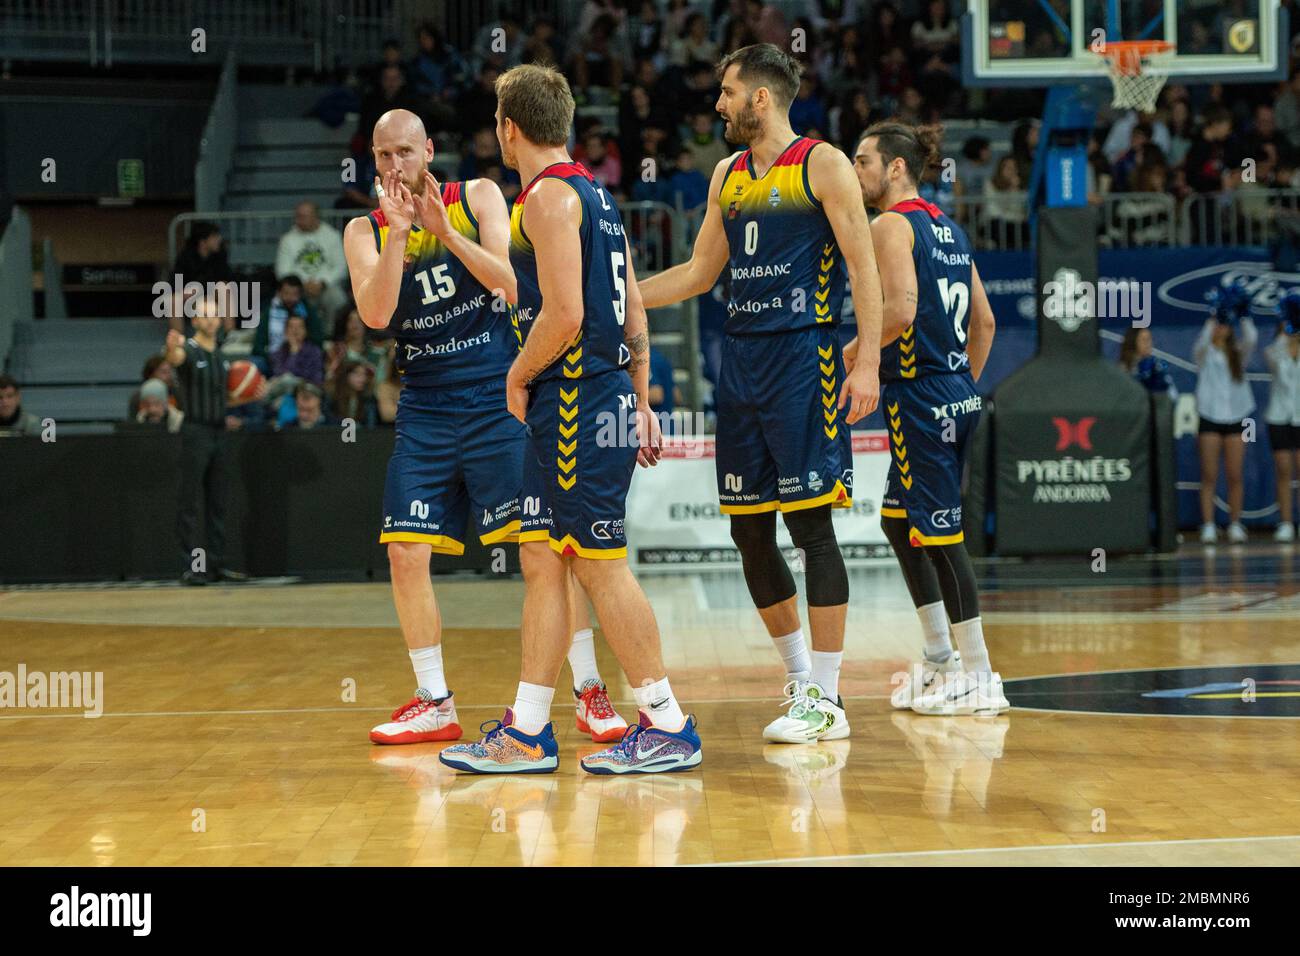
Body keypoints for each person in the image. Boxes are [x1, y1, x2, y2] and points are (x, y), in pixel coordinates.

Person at [439, 63, 701, 774]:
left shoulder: (548, 199)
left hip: (576, 400)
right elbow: (634, 307)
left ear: (508, 127)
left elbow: (565, 314)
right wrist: (642, 401)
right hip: (597, 395)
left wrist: (517, 374)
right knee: (542, 559)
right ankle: (527, 729)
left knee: (598, 565)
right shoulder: (598, 197)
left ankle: (668, 722)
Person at [344, 107, 629, 749]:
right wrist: (397, 236)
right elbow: (377, 315)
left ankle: (588, 691)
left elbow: (510, 285)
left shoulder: (474, 197)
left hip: (497, 399)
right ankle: (433, 700)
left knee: (544, 553)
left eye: (405, 153)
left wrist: (443, 234)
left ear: (429, 151)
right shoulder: (362, 229)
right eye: (383, 156)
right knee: (404, 553)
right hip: (424, 407)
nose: (394, 166)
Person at [639, 44, 884, 744]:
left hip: (803, 356)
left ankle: (831, 700)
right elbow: (695, 272)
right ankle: (801, 679)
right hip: (740, 362)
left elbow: (864, 267)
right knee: (749, 528)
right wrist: (620, 299)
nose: (717, 103)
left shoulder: (823, 163)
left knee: (811, 527)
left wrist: (866, 361)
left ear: (762, 98)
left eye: (727, 92)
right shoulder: (727, 173)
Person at [851, 120, 1007, 717]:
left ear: (895, 167)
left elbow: (903, 310)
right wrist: (962, 383)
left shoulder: (891, 224)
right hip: (960, 394)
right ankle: (941, 658)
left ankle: (981, 675)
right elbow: (985, 323)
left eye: (864, 161)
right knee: (898, 520)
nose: (856, 171)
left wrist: (853, 355)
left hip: (920, 396)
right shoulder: (949, 227)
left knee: (943, 538)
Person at [164, 299, 264, 584]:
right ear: (194, 321)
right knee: (190, 501)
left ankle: (217, 565)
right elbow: (174, 358)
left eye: (214, 315)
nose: (209, 320)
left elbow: (224, 398)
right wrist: (171, 345)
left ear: (220, 321)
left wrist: (248, 395)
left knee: (218, 502)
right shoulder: (190, 350)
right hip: (195, 431)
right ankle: (189, 566)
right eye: (203, 315)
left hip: (220, 432)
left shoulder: (221, 356)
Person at [1194, 282, 1258, 544]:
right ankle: (1208, 524)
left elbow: (1252, 337)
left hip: (1237, 417)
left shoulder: (1239, 355)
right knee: (1208, 474)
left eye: (1224, 324)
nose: (1221, 328)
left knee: (1235, 474)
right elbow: (1201, 341)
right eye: (1219, 324)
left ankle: (1235, 523)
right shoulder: (1204, 353)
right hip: (1209, 416)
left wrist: (1243, 315)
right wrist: (1214, 315)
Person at [1265, 288, 1300, 541]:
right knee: (1283, 469)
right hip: (1279, 416)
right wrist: (1287, 336)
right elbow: (1273, 361)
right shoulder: (1276, 346)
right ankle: (1286, 522)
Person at [276, 202, 349, 321]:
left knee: (337, 299)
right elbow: (282, 271)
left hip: (327, 286)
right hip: (298, 288)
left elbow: (341, 267)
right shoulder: (287, 239)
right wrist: (303, 284)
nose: (298, 220)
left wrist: (322, 283)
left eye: (303, 217)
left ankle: (331, 334)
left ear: (315, 217)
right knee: (284, 298)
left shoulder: (332, 236)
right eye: (297, 216)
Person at [1119, 326, 1177, 397]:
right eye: (1144, 340)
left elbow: (1172, 394)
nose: (1148, 344)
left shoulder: (1157, 367)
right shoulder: (1122, 369)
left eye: (1149, 339)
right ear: (1133, 342)